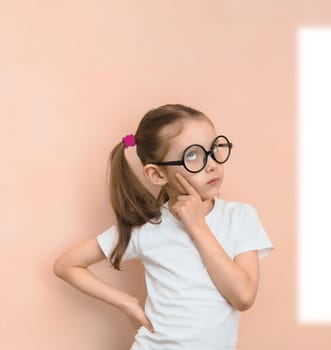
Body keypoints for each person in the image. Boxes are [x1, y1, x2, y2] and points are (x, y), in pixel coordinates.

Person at [53, 104, 274, 349]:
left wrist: (197, 226)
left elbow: (242, 296)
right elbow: (66, 265)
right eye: (193, 155)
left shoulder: (240, 217)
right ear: (157, 175)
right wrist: (126, 302)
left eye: (213, 150)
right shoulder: (147, 227)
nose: (211, 164)